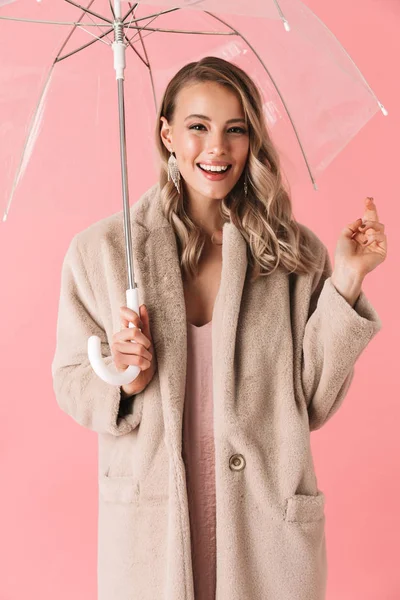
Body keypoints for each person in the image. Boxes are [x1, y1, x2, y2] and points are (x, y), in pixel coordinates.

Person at [51, 56, 386, 600]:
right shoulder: (105, 253)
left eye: (235, 129)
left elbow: (316, 401)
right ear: (167, 134)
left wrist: (346, 279)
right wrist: (124, 379)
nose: (218, 148)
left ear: (252, 138)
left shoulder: (294, 255)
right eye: (198, 127)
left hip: (266, 536)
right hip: (151, 536)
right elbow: (70, 378)